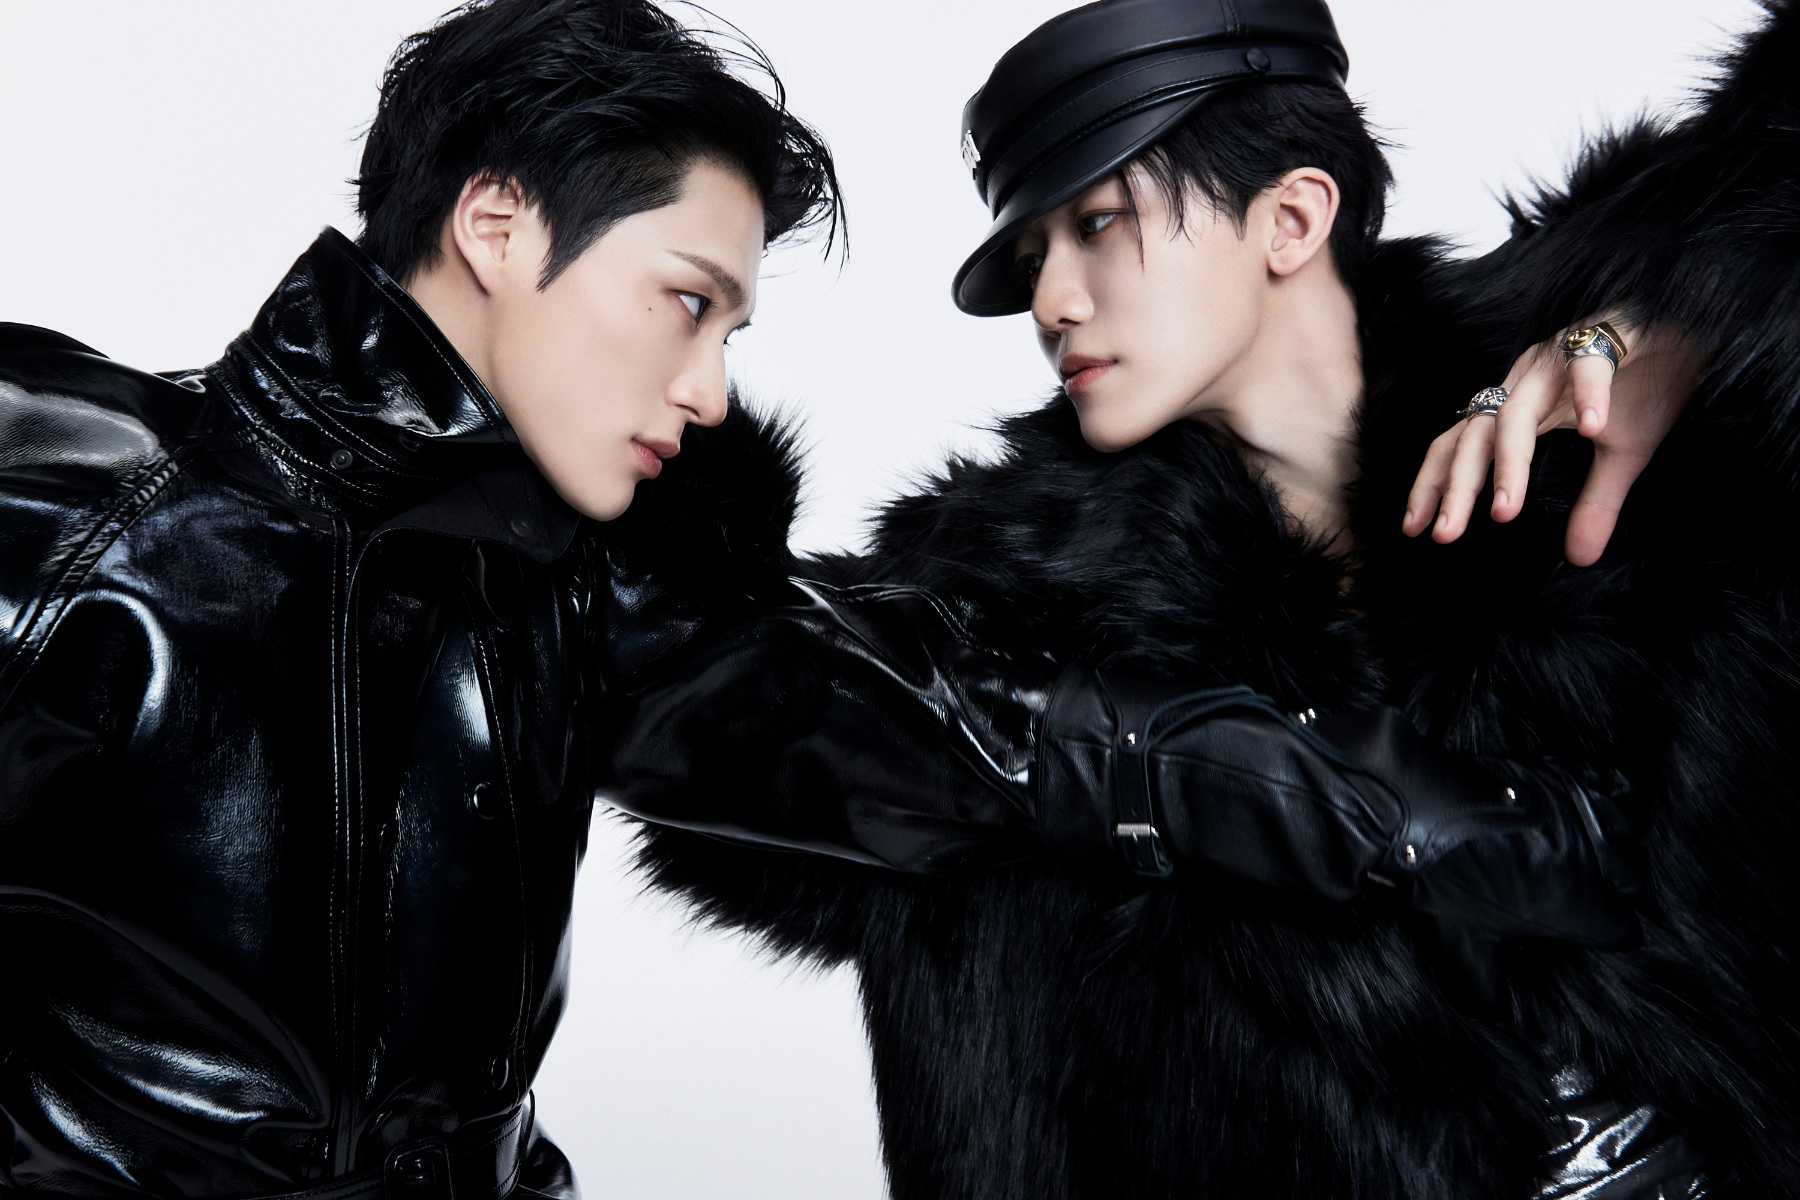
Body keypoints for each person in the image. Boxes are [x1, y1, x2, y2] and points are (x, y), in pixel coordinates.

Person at [0, 0, 1636, 1197]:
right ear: (497, 224)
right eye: (686, 302)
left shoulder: (586, 601)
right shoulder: (72, 495)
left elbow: (992, 735)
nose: (713, 390)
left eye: (734, 331)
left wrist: (1471, 827)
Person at [610, 0, 1800, 1195]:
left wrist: (1691, 315)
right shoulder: (1000, 599)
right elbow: (662, 681)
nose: (1051, 302)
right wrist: (1186, 769)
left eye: (1098, 225)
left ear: (1292, 217)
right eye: (1033, 259)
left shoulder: (1619, 429)